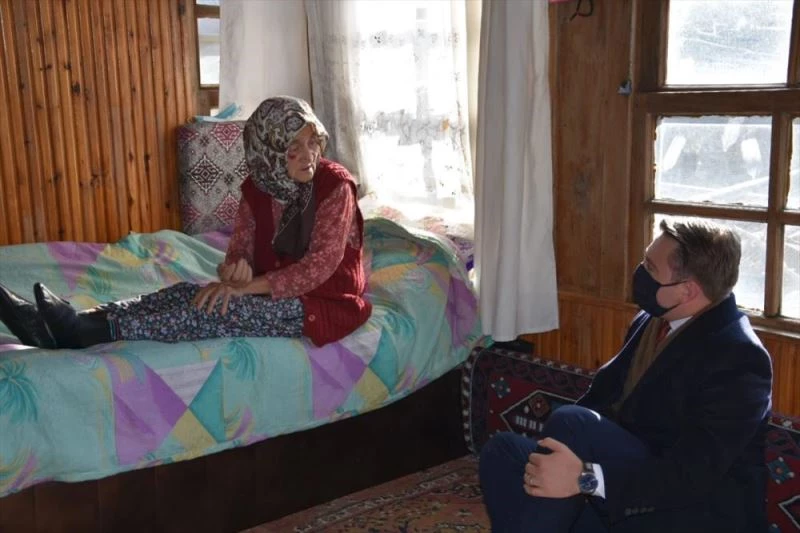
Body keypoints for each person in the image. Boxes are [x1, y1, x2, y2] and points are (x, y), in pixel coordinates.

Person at [0, 96, 372, 349]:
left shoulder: (334, 187)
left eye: (313, 142)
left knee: (216, 311)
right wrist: (235, 270)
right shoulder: (258, 186)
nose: (309, 156)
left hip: (323, 304)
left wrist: (245, 289)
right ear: (268, 151)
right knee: (184, 293)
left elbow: (320, 266)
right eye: (294, 147)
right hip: (268, 290)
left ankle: (83, 332)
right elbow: (239, 249)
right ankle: (64, 320)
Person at [479, 218, 772, 533]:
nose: (640, 272)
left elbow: (690, 476)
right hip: (623, 488)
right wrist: (558, 464)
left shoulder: (739, 356)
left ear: (687, 290)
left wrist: (585, 479)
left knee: (574, 424)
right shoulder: (652, 320)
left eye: (650, 267)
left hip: (685, 511)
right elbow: (604, 399)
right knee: (504, 453)